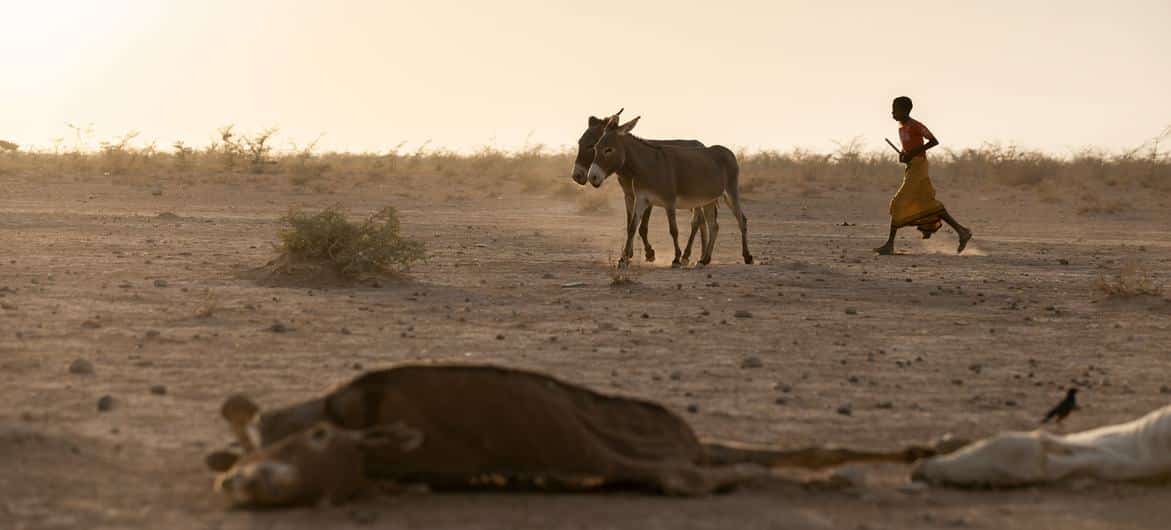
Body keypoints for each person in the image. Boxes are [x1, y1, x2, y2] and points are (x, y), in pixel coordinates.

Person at [874, 96, 972, 255]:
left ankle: (890, 244)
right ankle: (962, 231)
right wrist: (905, 156)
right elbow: (909, 149)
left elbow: (933, 141)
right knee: (928, 203)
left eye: (895, 109)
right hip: (912, 168)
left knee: (898, 203)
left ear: (905, 110)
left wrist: (911, 153)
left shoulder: (915, 126)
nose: (892, 112)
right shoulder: (901, 127)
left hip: (919, 168)